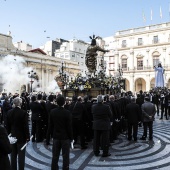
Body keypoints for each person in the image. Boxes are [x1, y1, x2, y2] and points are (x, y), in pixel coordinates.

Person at [46, 95, 73, 170]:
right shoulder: (67, 113)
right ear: (64, 103)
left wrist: (48, 138)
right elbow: (69, 127)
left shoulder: (52, 112)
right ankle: (65, 168)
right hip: (65, 137)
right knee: (65, 156)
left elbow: (50, 126)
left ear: (57, 103)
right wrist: (71, 138)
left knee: (55, 155)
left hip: (56, 136)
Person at [6, 97, 30, 170]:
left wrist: (9, 135)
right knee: (21, 157)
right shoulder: (23, 113)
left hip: (12, 137)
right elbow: (26, 127)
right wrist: (27, 137)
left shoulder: (9, 112)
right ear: (20, 103)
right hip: (21, 137)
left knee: (13, 156)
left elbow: (7, 126)